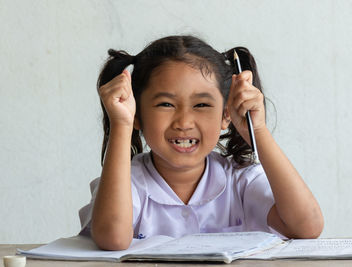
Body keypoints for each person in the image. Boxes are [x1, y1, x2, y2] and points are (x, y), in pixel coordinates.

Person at [79, 35, 324, 250]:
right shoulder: (124, 182)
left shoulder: (240, 179)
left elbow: (307, 226)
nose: (184, 122)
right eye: (166, 104)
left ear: (226, 114)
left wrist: (256, 129)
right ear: (137, 114)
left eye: (202, 105)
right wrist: (121, 124)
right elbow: (112, 239)